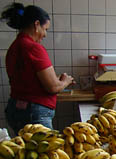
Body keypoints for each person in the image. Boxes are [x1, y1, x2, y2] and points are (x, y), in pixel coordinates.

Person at [1, 3, 74, 135]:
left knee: (28, 151)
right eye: (45, 29)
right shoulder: (33, 47)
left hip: (16, 108)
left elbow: (28, 79)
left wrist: (57, 80)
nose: (45, 34)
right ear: (36, 25)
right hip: (34, 112)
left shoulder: (14, 47)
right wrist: (66, 81)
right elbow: (52, 87)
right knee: (45, 153)